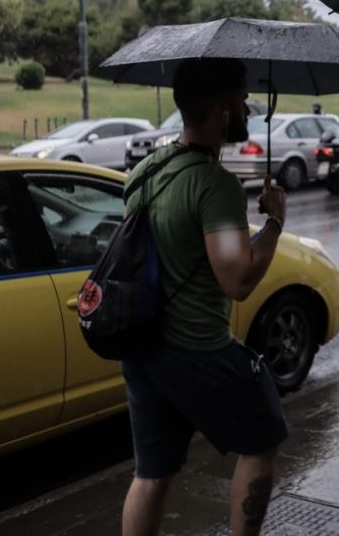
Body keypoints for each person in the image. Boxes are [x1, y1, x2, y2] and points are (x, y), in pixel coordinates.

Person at [120, 58, 289, 536]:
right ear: (220, 109)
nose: (249, 112)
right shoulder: (216, 185)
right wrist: (275, 222)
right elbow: (237, 280)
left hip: (143, 346)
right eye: (242, 101)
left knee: (151, 472)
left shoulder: (146, 170)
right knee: (263, 436)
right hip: (198, 348)